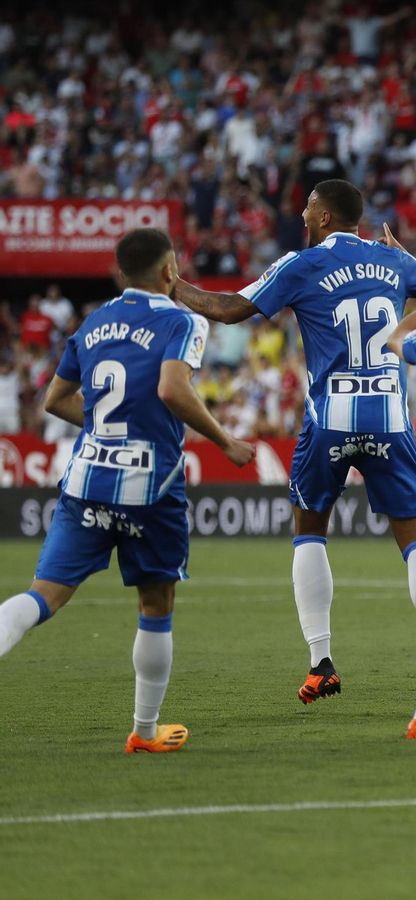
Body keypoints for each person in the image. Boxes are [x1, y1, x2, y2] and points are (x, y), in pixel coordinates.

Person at [168, 179, 416, 704]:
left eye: (308, 205)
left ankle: (320, 661)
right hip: (390, 415)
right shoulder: (393, 261)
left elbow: (230, 309)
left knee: (310, 528)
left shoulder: (303, 263)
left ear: (323, 218)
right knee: (414, 538)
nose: (301, 210)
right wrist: (410, 260)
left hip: (331, 419)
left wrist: (176, 287)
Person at [0, 228, 255, 751]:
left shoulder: (93, 322)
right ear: (169, 273)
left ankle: (144, 730)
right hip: (150, 486)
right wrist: (224, 440)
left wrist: (100, 428)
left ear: (120, 274)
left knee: (43, 596)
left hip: (88, 478)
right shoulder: (183, 319)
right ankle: (143, 732)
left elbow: (54, 399)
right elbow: (170, 387)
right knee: (156, 602)